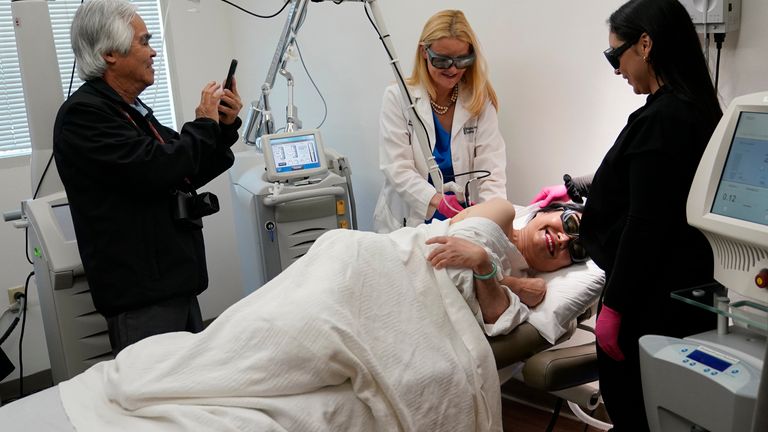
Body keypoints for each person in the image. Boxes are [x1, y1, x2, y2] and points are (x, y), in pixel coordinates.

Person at [54, 198, 584, 431]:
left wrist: (492, 276)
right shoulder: (504, 213)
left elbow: (495, 316)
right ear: (544, 212)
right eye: (561, 226)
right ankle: (183, 373)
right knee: (278, 325)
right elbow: (454, 238)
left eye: (565, 250)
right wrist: (500, 269)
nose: (558, 240)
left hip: (409, 309)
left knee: (301, 348)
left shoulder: (529, 289)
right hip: (368, 266)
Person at [530, 0, 721, 430]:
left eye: (616, 55)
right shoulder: (690, 107)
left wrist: (612, 308)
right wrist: (575, 188)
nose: (616, 69)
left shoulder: (664, 118)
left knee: (637, 412)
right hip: (676, 296)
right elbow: (644, 175)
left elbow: (644, 224)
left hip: (647, 302)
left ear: (646, 44)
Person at [53, 0, 244, 354]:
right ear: (110, 53)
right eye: (144, 41)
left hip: (173, 282)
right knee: (158, 398)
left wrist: (223, 128)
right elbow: (158, 167)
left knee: (188, 385)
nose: (153, 51)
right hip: (142, 296)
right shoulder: (84, 115)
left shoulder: (130, 112)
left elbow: (184, 168)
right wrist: (203, 124)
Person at [374, 9, 507, 233]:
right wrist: (437, 201)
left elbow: (491, 172)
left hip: (463, 221)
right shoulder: (398, 97)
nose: (453, 69)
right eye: (442, 60)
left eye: (462, 59)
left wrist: (490, 222)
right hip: (409, 222)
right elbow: (397, 168)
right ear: (424, 52)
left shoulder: (479, 101)